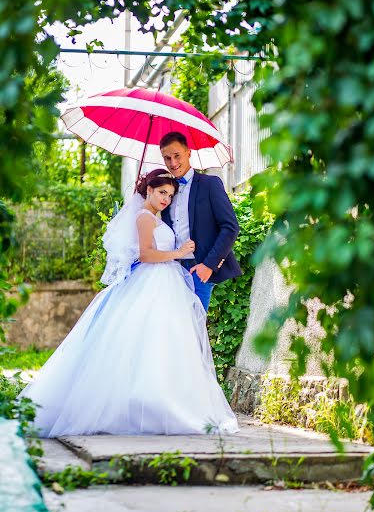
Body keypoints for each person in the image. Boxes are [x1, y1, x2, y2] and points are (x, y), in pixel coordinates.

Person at [19, 169, 238, 438]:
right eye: (161, 193)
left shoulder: (155, 217)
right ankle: (142, 405)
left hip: (165, 282)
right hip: (153, 281)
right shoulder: (145, 218)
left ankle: (158, 400)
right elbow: (146, 255)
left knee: (162, 343)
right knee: (144, 341)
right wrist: (178, 252)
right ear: (148, 191)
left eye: (170, 195)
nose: (166, 199)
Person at [160, 132, 242, 312]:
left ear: (188, 153)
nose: (173, 163)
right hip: (171, 269)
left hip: (199, 268)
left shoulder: (210, 184)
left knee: (194, 329)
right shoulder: (166, 190)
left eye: (177, 156)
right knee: (173, 328)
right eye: (167, 158)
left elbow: (230, 227)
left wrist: (208, 265)